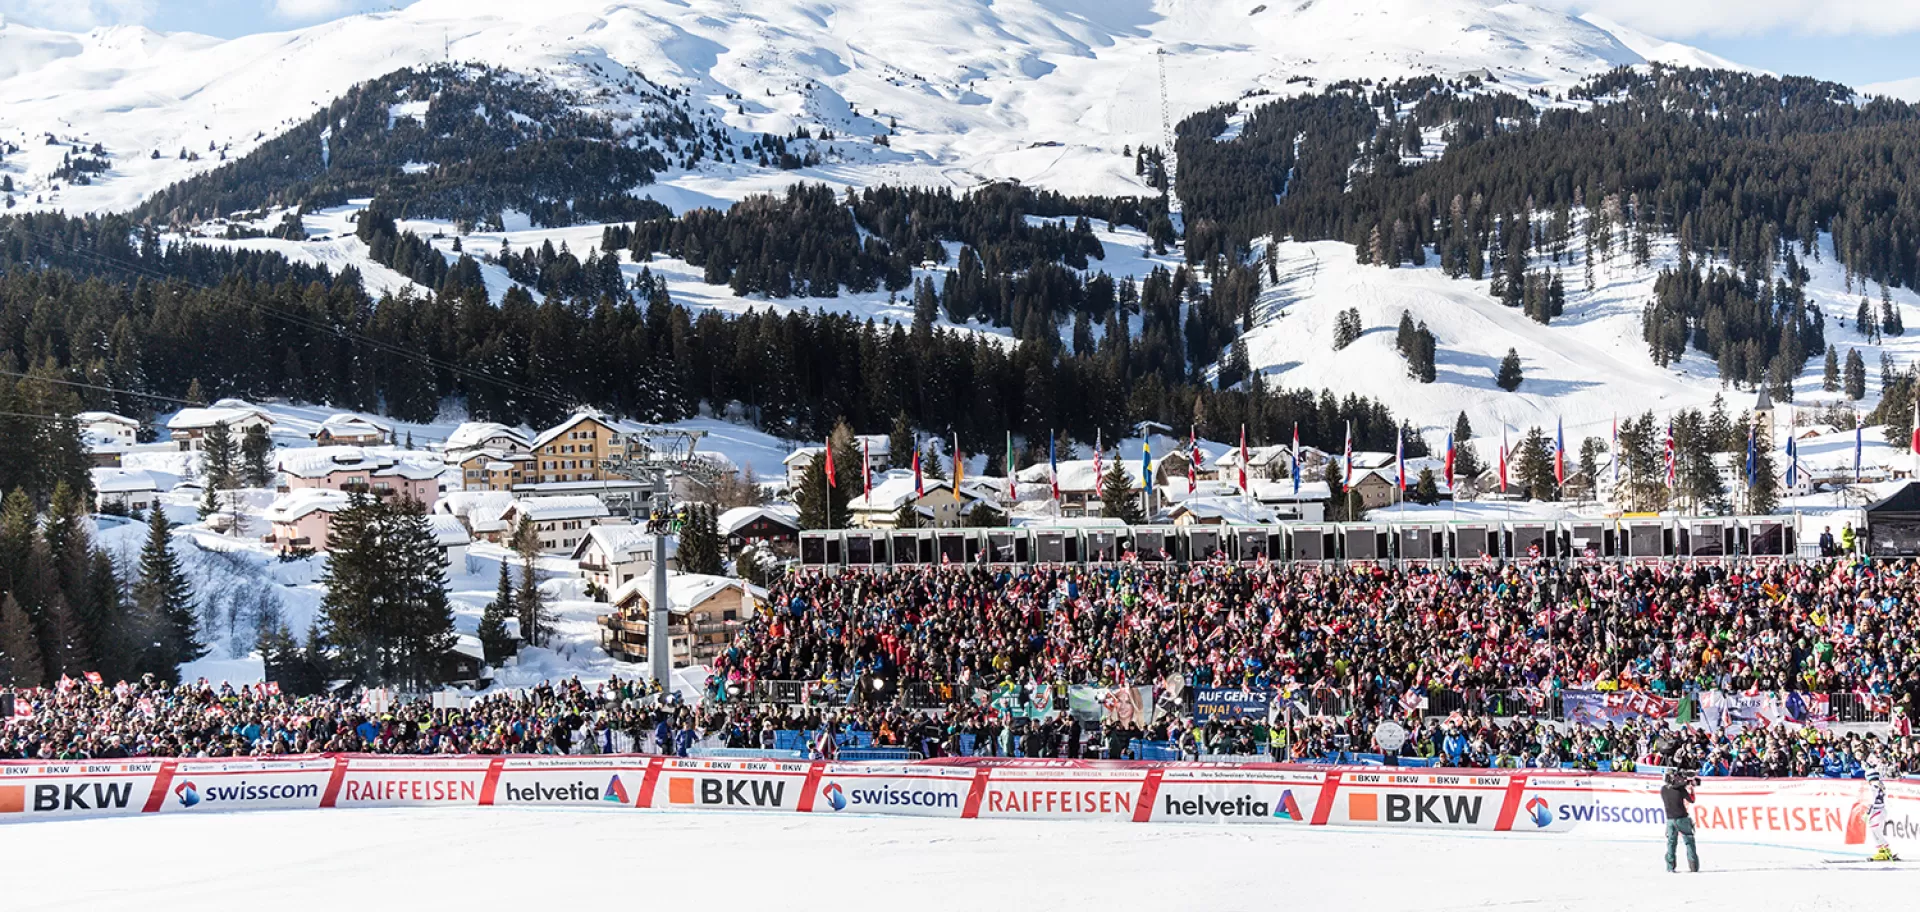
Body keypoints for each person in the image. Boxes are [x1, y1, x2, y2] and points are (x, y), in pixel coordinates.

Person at [1662, 768, 1700, 873]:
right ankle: (1693, 867)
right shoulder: (1680, 789)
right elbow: (1691, 800)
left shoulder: (1663, 789)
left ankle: (1670, 867)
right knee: (1689, 842)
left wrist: (1684, 783)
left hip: (1670, 819)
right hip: (1682, 818)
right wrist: (1690, 788)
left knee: (1671, 843)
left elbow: (1674, 787)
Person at [1866, 768, 1900, 862]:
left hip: (1876, 811)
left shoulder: (1872, 786)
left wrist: (1867, 812)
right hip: (1882, 810)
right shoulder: (1881, 784)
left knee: (1874, 831)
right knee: (1877, 831)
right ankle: (1882, 850)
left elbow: (1872, 800)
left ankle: (1885, 850)